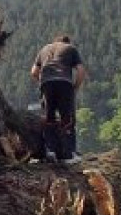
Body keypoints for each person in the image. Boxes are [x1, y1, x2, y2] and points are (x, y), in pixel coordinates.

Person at [30, 34, 86, 163]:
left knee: (49, 118)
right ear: (67, 42)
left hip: (47, 83)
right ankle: (69, 155)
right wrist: (75, 87)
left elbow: (33, 71)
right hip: (64, 82)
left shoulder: (44, 49)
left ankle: (50, 151)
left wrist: (42, 83)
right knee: (67, 118)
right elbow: (81, 70)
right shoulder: (70, 48)